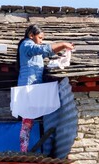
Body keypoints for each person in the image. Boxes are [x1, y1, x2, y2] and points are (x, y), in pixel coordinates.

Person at [16, 24, 74, 152]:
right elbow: (43, 49)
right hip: (28, 87)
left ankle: (27, 149)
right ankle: (23, 150)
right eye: (40, 38)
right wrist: (63, 44)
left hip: (35, 86)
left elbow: (45, 51)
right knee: (27, 120)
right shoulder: (27, 45)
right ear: (31, 36)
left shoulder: (33, 49)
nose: (41, 41)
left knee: (30, 120)